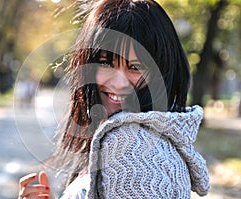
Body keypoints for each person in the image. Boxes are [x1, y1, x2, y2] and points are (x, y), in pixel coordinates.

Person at [18, 0, 210, 198]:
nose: (118, 83)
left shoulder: (131, 147)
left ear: (161, 72)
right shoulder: (132, 137)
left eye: (135, 67)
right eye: (105, 62)